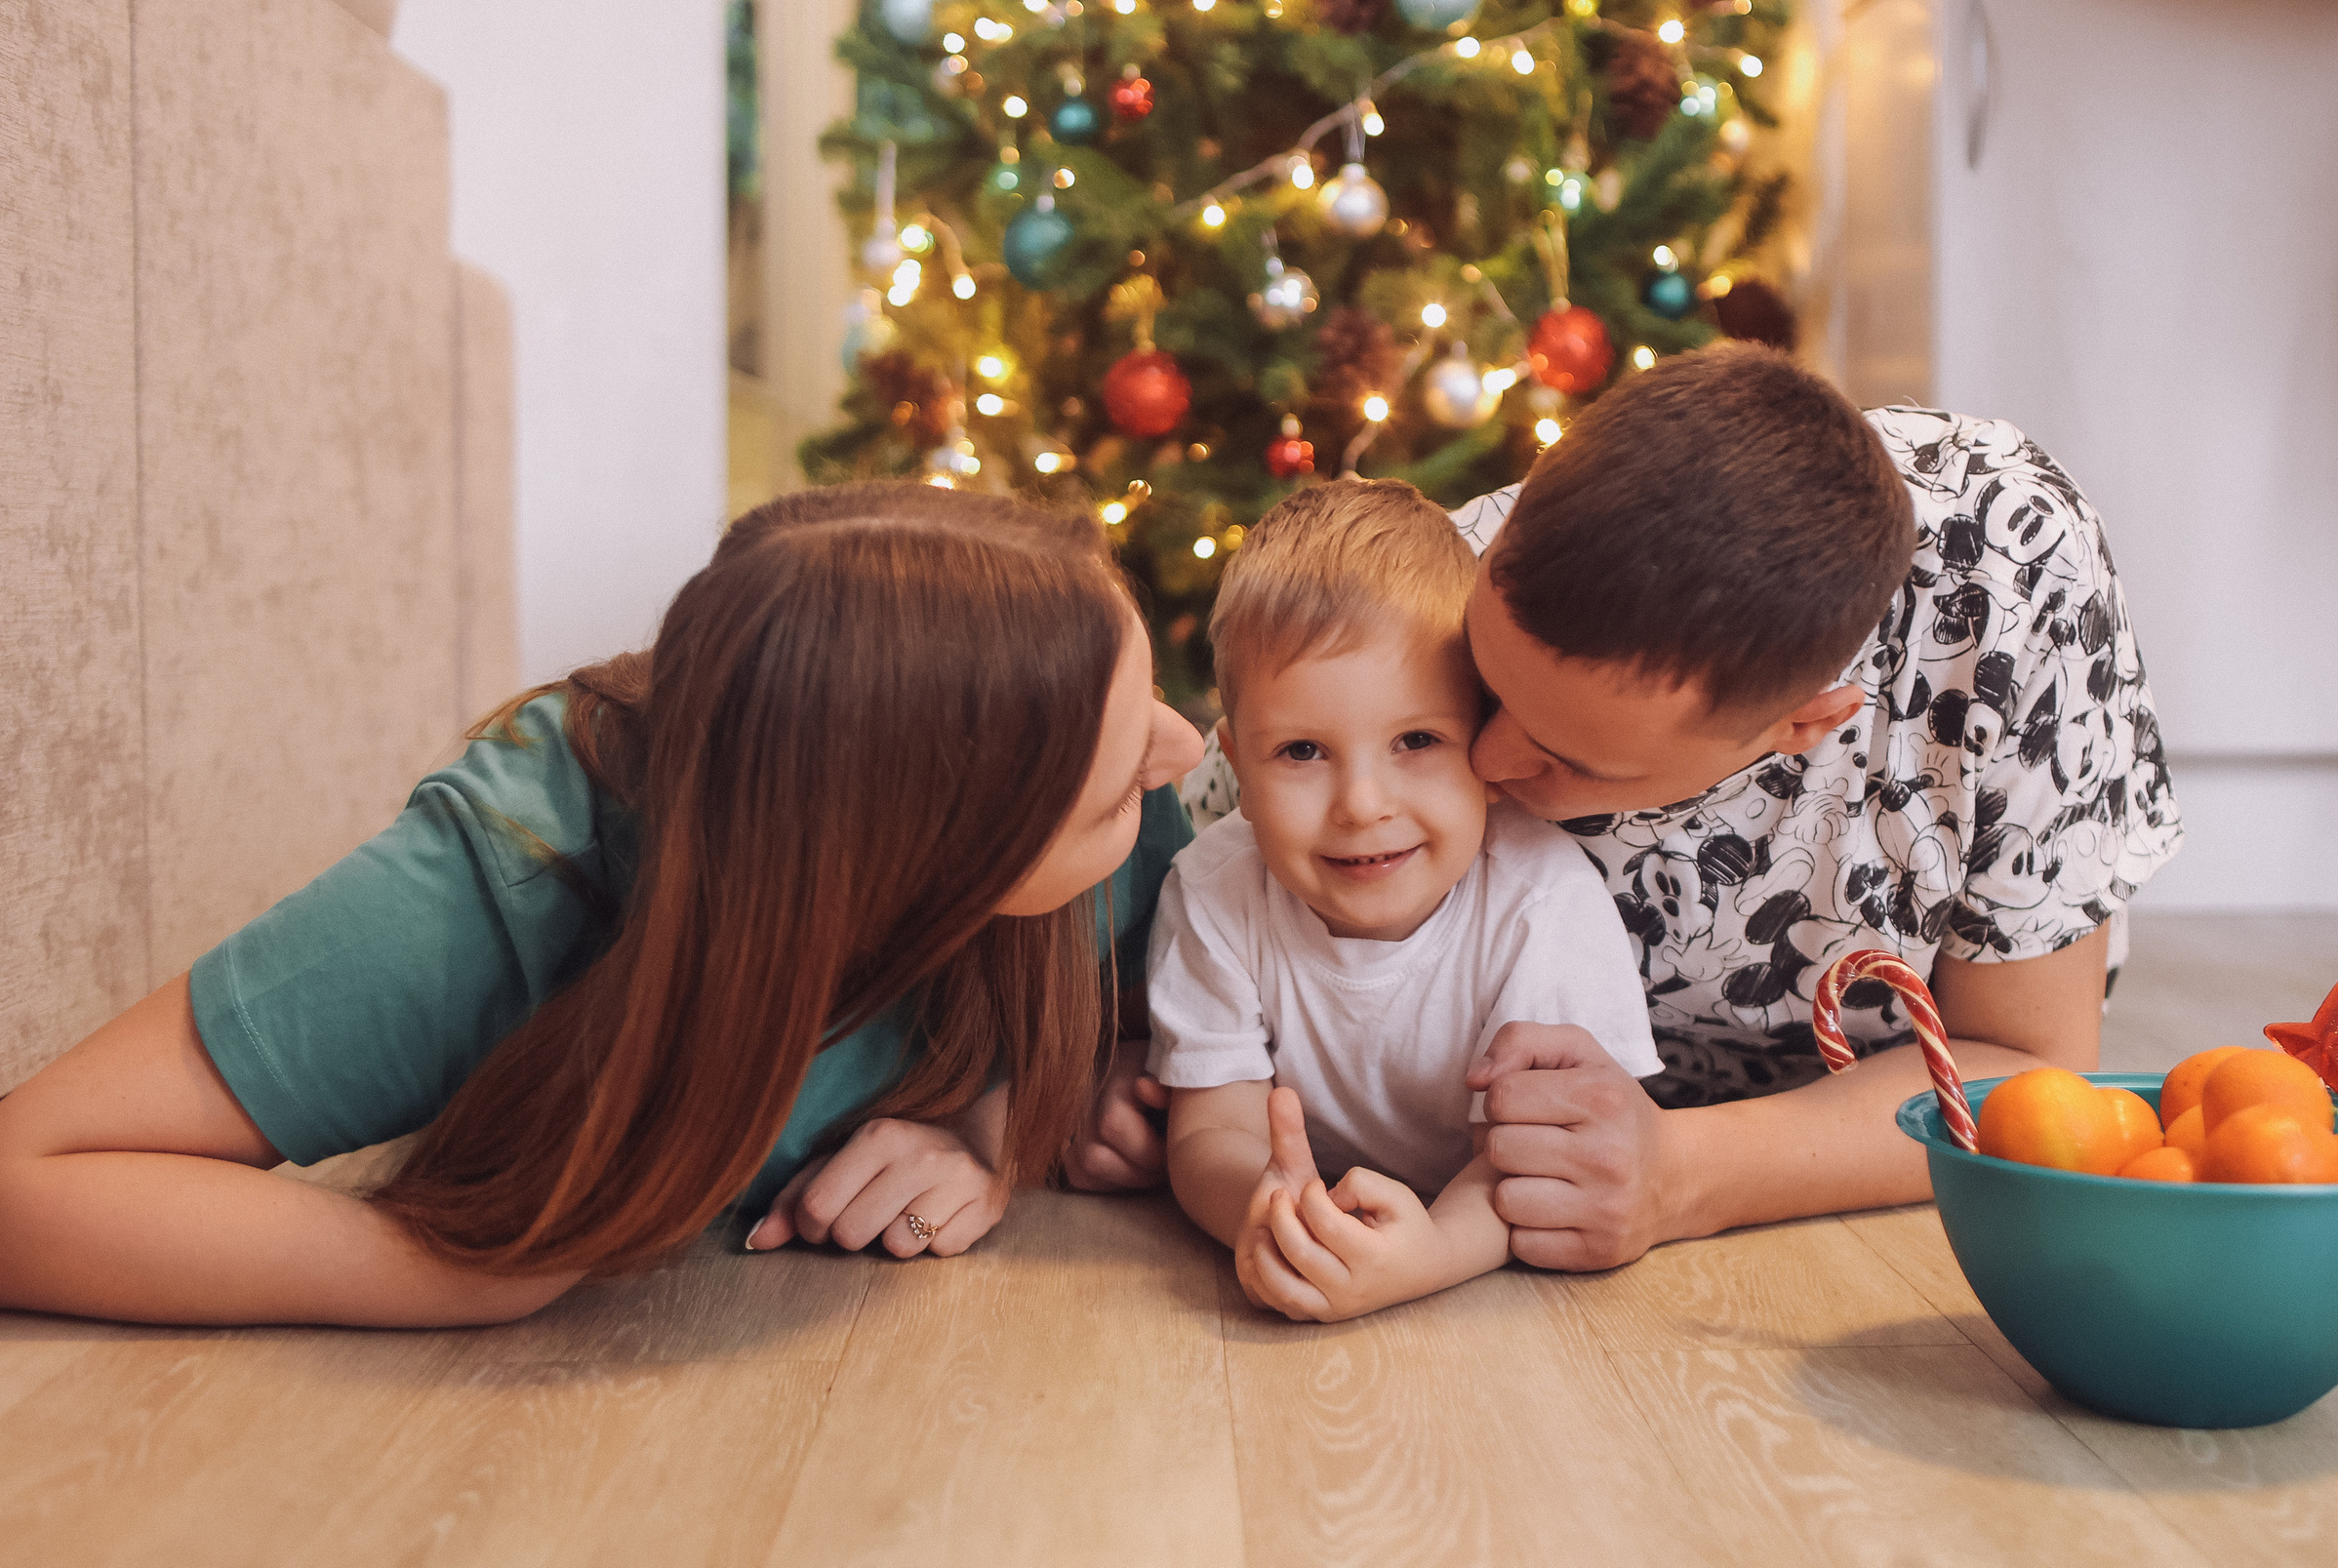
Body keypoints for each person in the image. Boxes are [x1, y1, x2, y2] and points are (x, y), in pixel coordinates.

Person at [0, 484, 1205, 1326]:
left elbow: (1216, 1023)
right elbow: (25, 1175)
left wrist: (1006, 1120)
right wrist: (459, 1272)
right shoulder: (511, 875)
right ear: (921, 852)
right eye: (1104, 793)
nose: (1180, 747)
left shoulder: (1137, 818)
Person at [1111, 343, 2185, 1269]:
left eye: (1567, 757)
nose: (1487, 753)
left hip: (1807, 1099)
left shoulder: (2011, 584)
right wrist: (1115, 1063)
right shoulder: (1465, 562)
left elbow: (2023, 1067)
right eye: (1486, 685)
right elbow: (1193, 847)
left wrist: (1679, 1174)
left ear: (1801, 728)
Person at [1146, 482, 1660, 1321]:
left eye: (1416, 741)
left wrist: (1432, 1254)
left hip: (1498, 1258)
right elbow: (1211, 1133)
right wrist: (1275, 1213)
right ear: (1237, 766)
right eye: (1303, 751)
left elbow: (1543, 1160)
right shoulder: (1213, 892)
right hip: (1319, 1203)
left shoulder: (1541, 901)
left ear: (1484, 742)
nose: (1361, 803)